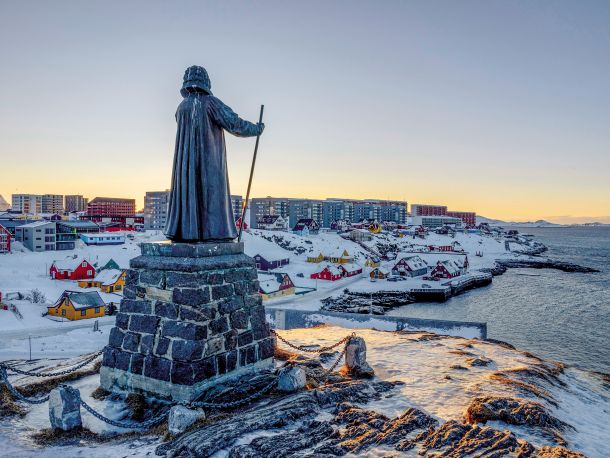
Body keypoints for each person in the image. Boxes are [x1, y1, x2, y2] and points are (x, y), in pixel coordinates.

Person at [165, 65, 264, 242]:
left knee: (190, 193)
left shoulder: (181, 107)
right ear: (205, 82)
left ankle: (188, 232)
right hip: (208, 161)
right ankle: (213, 233)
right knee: (211, 196)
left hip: (185, 166)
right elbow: (235, 124)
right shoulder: (210, 102)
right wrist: (256, 129)